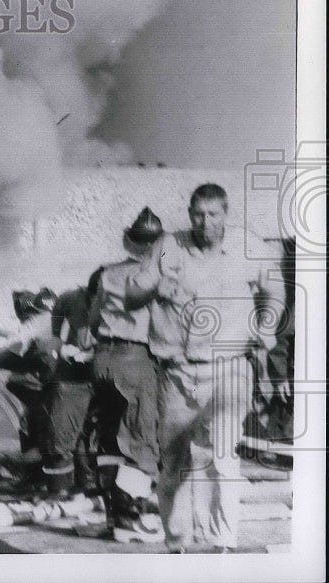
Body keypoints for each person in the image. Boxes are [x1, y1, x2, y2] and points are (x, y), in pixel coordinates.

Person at [127, 184, 286, 553]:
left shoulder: (248, 246)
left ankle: (222, 547)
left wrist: (266, 323)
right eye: (198, 214)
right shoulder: (168, 245)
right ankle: (179, 544)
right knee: (174, 465)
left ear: (226, 214)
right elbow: (133, 296)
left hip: (229, 369)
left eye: (213, 214)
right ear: (189, 213)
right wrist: (155, 287)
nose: (205, 222)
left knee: (222, 459)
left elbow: (275, 292)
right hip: (179, 374)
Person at [88, 207, 165, 540]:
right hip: (136, 360)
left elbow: (91, 321)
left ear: (130, 241)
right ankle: (129, 520)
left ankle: (111, 516)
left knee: (108, 442)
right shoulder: (158, 276)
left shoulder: (105, 273)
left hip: (103, 358)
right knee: (141, 442)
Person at [0, 287, 58, 490]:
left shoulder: (38, 329)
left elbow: (13, 352)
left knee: (45, 438)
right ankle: (38, 479)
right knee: (33, 429)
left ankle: (43, 479)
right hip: (42, 390)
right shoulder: (52, 324)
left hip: (48, 390)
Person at [40, 273, 102, 499]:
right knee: (62, 432)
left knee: (93, 433)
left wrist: (95, 354)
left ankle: (89, 482)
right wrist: (59, 343)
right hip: (73, 374)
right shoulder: (70, 298)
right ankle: (60, 489)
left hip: (106, 371)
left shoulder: (120, 302)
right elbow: (57, 320)